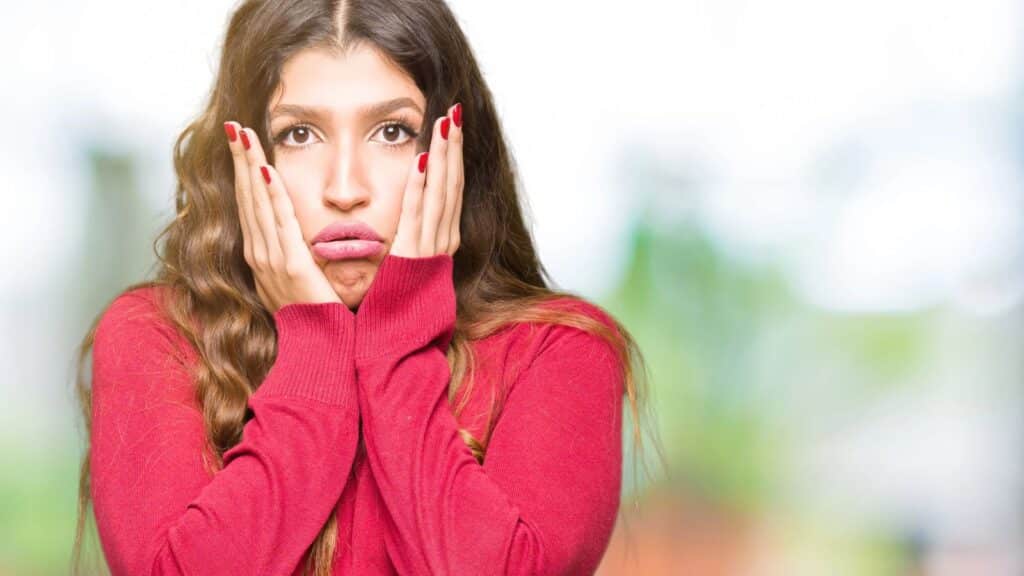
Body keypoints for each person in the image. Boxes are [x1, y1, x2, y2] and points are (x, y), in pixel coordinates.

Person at [71, 1, 659, 574]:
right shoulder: (157, 338)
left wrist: (400, 332)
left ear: (454, 151)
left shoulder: (559, 350)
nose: (346, 188)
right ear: (242, 160)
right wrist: (314, 347)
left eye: (392, 132)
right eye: (299, 134)